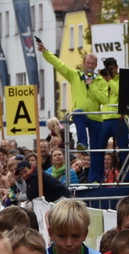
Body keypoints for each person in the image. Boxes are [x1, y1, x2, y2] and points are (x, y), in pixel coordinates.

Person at [38, 40, 116, 183]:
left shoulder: (101, 81)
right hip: (82, 115)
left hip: (96, 118)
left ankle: (96, 180)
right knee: (78, 112)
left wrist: (91, 86)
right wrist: (45, 52)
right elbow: (59, 65)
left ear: (96, 65)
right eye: (88, 63)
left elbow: (105, 99)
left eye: (93, 64)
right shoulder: (75, 75)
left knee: (97, 151)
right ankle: (81, 142)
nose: (90, 66)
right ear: (83, 64)